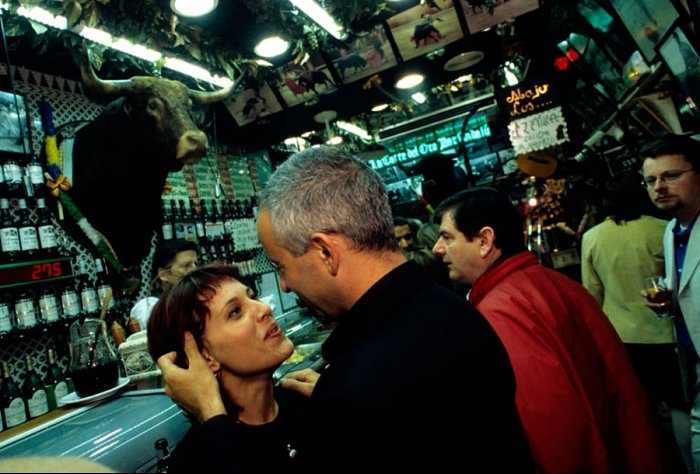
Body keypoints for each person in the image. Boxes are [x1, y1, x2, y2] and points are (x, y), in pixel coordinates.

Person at [157, 146, 533, 472]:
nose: (282, 287)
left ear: (325, 252)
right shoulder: (449, 310)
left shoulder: (356, 390)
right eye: (234, 311)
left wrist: (213, 417)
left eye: (282, 267)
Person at [431, 186, 684, 473]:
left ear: (485, 240)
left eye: (447, 237)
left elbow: (552, 420)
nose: (437, 248)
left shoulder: (501, 308)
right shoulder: (552, 281)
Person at [147, 263, 308, 473]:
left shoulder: (305, 402)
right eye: (235, 312)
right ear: (204, 357)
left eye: (253, 297)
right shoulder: (196, 462)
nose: (264, 309)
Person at [581, 171, 683, 421]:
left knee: (642, 410)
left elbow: (591, 294)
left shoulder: (592, 238)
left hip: (622, 338)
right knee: (681, 406)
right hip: (669, 335)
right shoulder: (664, 229)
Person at [641, 132, 700, 472]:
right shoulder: (671, 230)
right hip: (691, 362)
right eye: (650, 180)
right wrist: (671, 306)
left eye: (671, 176)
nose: (658, 187)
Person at [130, 239, 198, 330]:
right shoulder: (147, 307)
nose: (195, 270)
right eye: (186, 266)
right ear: (163, 274)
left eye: (196, 264)